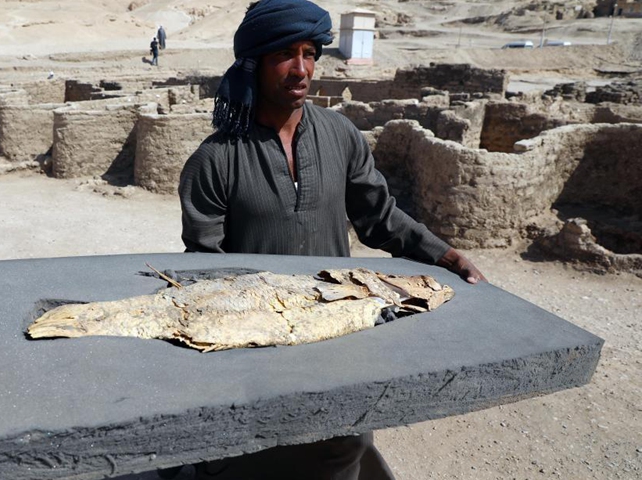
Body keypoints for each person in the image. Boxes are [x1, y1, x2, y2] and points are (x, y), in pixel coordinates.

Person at [177, 1, 487, 478]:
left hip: (338, 324)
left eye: (309, 53)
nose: (301, 69)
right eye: (285, 54)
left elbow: (378, 216)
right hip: (259, 336)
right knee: (248, 448)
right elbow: (204, 269)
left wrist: (444, 254)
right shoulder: (215, 160)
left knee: (343, 440)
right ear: (253, 64)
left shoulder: (340, 134)